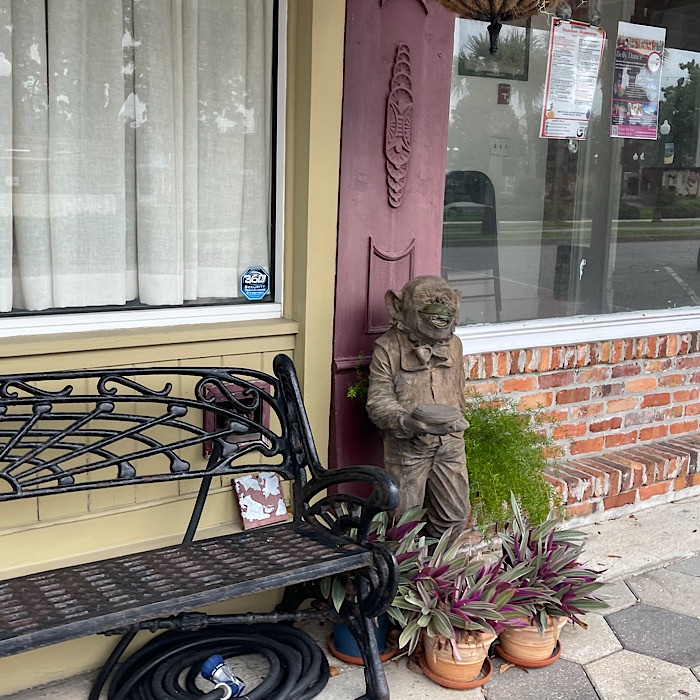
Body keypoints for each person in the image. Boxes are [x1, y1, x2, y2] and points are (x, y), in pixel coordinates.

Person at [366, 275, 471, 541]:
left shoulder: (455, 345)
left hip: (450, 443)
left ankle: (436, 564)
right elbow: (378, 400)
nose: (439, 305)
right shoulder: (388, 347)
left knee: (455, 516)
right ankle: (404, 566)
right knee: (403, 521)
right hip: (408, 447)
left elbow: (458, 390)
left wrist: (457, 420)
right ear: (398, 306)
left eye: (445, 299)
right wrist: (407, 422)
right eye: (427, 299)